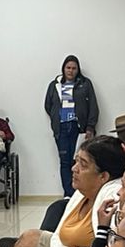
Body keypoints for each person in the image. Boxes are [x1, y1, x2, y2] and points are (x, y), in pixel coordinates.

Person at [44, 55, 97, 197]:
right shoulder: (54, 85)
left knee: (79, 161)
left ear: (78, 70)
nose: (71, 71)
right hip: (61, 128)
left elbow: (93, 106)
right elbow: (48, 105)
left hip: (78, 128)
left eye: (74, 68)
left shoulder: (85, 84)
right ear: (63, 68)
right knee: (65, 162)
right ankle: (68, 194)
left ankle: (80, 193)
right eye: (68, 68)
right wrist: (56, 117)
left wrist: (90, 127)